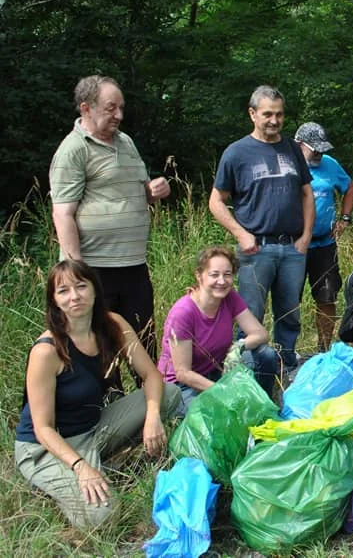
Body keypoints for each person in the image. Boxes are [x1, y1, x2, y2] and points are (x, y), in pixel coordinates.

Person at [14, 260, 181, 529]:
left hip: (94, 428)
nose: (74, 296)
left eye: (81, 286)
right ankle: (57, 482)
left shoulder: (112, 324)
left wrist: (152, 418)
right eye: (63, 291)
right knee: (103, 518)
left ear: (94, 290)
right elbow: (42, 428)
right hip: (47, 448)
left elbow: (151, 376)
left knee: (169, 395)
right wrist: (81, 467)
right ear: (54, 301)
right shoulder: (46, 351)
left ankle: (103, 465)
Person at [50, 75, 170, 369]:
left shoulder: (125, 142)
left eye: (121, 108)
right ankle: (111, 406)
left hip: (133, 265)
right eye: (110, 108)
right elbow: (62, 212)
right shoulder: (73, 150)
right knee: (103, 346)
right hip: (95, 268)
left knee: (143, 339)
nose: (119, 115)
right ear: (86, 108)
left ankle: (150, 403)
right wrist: (77, 272)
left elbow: (138, 191)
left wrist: (153, 191)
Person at [208, 85, 314, 373]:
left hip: (293, 247)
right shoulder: (237, 153)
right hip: (256, 250)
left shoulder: (292, 148)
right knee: (250, 315)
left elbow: (307, 194)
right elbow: (216, 201)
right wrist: (240, 234)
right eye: (268, 114)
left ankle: (286, 367)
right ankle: (248, 371)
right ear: (252, 114)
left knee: (290, 314)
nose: (274, 120)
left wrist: (305, 236)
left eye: (279, 115)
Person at [158, 246, 280, 412]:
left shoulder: (229, 297)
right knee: (215, 413)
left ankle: (264, 406)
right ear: (199, 276)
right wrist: (222, 391)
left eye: (227, 274)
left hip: (216, 370)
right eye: (214, 274)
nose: (222, 281)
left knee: (265, 354)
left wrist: (238, 347)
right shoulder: (183, 312)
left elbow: (261, 334)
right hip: (182, 386)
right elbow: (182, 373)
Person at [294, 122, 353, 351]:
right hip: (295, 245)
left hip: (325, 243)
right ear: (299, 145)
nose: (320, 154)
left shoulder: (330, 165)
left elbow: (350, 187)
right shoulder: (289, 166)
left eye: (323, 149)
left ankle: (324, 348)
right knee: (291, 300)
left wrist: (345, 218)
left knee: (327, 296)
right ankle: (289, 351)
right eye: (315, 149)